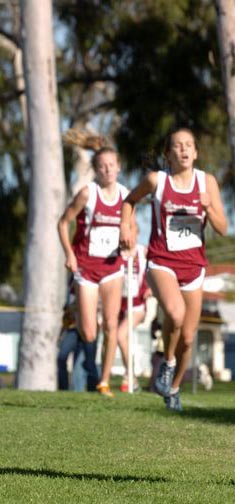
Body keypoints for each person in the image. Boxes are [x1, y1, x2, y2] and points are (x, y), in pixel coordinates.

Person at [119, 127, 227, 411]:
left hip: (194, 266)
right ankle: (167, 362)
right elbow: (129, 201)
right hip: (161, 261)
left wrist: (209, 208)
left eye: (189, 145)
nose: (184, 150)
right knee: (175, 314)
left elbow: (223, 227)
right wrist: (125, 226)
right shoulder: (157, 180)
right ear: (168, 154)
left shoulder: (207, 183)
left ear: (196, 152)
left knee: (189, 337)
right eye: (177, 146)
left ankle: (174, 387)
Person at [57, 139, 128, 397]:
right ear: (96, 170)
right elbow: (63, 223)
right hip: (85, 267)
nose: (107, 170)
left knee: (111, 324)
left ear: (119, 168)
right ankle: (90, 361)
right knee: (88, 330)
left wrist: (129, 242)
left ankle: (103, 381)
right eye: (102, 166)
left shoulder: (125, 196)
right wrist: (69, 255)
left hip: (112, 267)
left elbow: (131, 228)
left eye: (112, 165)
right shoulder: (87, 193)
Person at [117, 240, 151, 392]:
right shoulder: (115, 251)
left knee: (120, 335)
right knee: (110, 340)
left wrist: (151, 288)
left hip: (137, 305)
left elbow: (157, 268)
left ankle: (130, 375)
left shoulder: (143, 252)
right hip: (117, 305)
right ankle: (105, 380)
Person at [57, 278, 99, 391]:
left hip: (89, 326)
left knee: (87, 362)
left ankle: (93, 389)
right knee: (61, 356)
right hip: (72, 327)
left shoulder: (90, 277)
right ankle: (63, 390)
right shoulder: (71, 280)